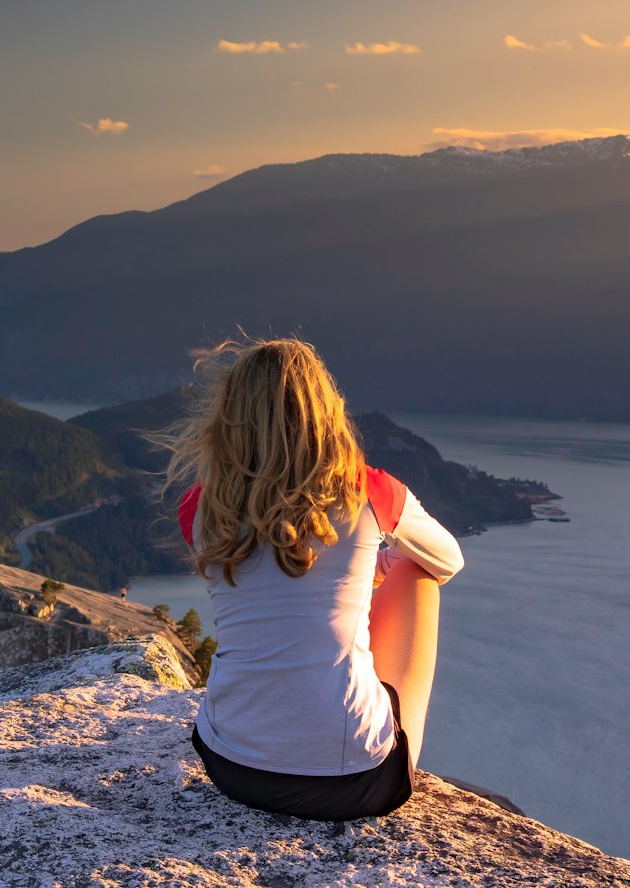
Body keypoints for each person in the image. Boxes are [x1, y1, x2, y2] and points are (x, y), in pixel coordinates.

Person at [157, 337, 463, 821]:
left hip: (228, 764)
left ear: (230, 417)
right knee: (416, 572)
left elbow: (273, 586)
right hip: (352, 783)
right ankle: (369, 736)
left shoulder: (200, 507)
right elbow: (447, 560)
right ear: (327, 412)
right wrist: (380, 565)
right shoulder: (367, 489)